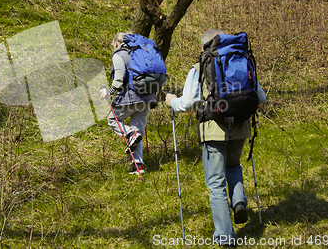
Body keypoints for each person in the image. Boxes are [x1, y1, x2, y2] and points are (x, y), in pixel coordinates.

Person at [165, 29, 267, 246]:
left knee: (216, 183)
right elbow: (261, 97)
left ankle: (225, 236)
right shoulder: (241, 60)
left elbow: (188, 103)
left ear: (203, 47)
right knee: (233, 165)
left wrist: (171, 101)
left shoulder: (201, 66)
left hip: (213, 129)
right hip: (240, 127)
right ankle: (239, 201)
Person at [101, 32, 157, 175]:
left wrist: (109, 92)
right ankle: (138, 166)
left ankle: (129, 133)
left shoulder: (119, 54)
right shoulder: (141, 52)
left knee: (113, 120)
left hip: (131, 97)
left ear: (116, 44)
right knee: (137, 129)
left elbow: (119, 78)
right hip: (148, 96)